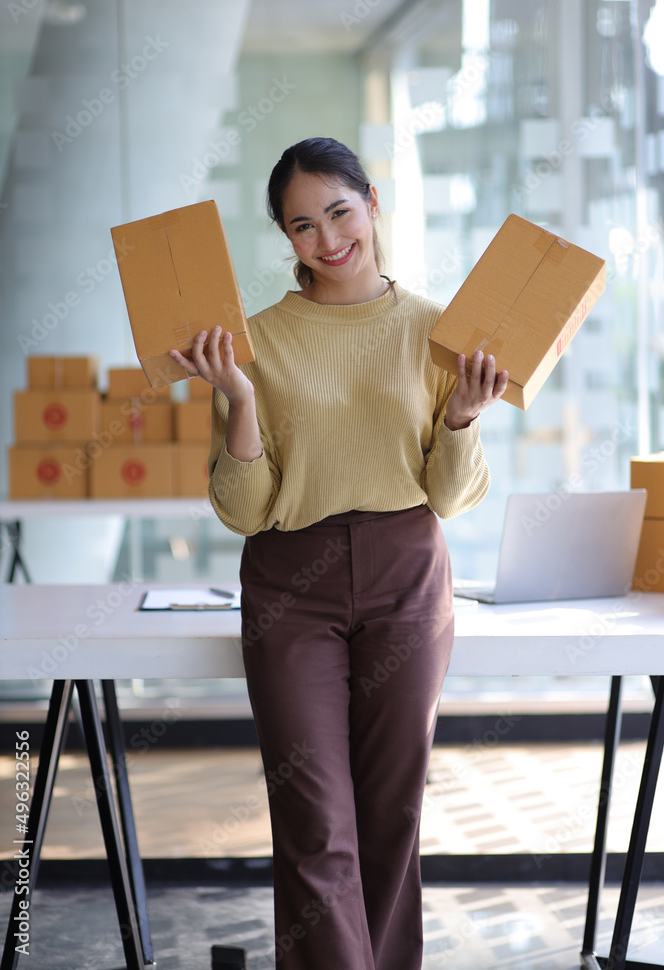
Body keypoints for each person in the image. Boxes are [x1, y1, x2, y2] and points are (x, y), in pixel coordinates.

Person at [170, 136, 508, 970]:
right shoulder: (250, 342)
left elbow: (452, 497)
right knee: (315, 819)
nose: (326, 239)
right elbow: (245, 510)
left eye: (338, 212)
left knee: (391, 811)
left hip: (407, 573)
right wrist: (239, 398)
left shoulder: (437, 331)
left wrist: (462, 418)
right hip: (292, 581)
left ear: (372, 205)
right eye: (301, 226)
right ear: (285, 240)